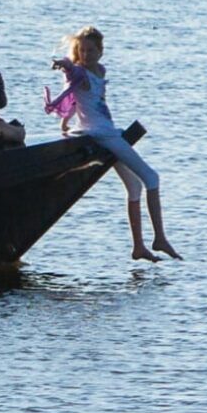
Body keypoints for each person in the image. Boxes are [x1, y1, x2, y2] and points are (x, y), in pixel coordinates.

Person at [48, 26, 180, 262]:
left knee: (135, 186)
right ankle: (160, 238)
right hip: (101, 134)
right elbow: (71, 78)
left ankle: (138, 247)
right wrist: (63, 64)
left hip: (107, 130)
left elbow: (84, 101)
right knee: (152, 178)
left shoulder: (99, 70)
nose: (86, 54)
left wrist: (67, 121)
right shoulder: (79, 72)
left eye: (91, 50)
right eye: (82, 50)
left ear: (100, 51)